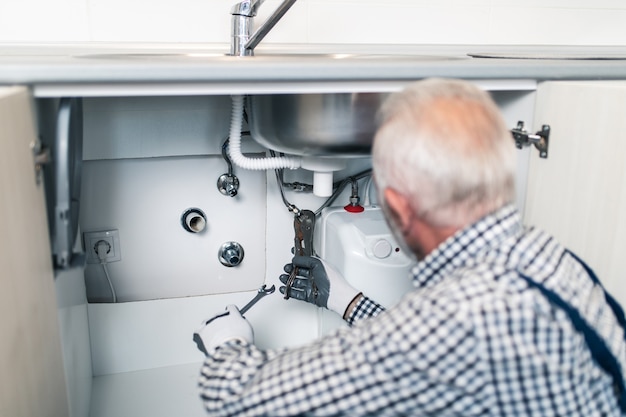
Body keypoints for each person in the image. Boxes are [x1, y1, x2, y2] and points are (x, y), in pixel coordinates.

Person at [194, 78, 626, 416]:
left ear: (396, 206)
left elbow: (243, 399)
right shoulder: (544, 257)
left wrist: (228, 343)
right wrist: (349, 301)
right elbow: (442, 358)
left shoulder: (457, 318)